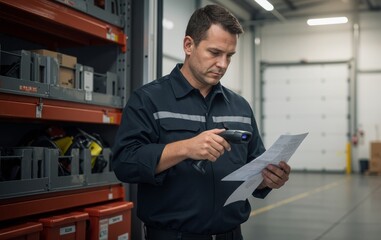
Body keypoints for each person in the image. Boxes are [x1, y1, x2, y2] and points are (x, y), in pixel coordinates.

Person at [112, 4, 291, 240]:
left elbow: (254, 166)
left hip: (231, 235)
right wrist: (185, 148)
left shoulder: (240, 107)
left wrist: (268, 179)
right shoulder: (149, 100)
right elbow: (124, 162)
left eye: (229, 56)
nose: (223, 64)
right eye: (215, 53)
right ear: (189, 45)